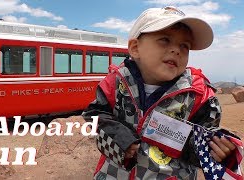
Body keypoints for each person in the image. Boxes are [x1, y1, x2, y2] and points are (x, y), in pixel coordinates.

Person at [82, 6, 240, 179]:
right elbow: (95, 116)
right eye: (165, 40)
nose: (176, 50)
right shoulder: (115, 83)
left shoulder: (199, 96)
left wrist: (220, 151)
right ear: (135, 48)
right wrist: (121, 140)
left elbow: (204, 145)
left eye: (184, 46)